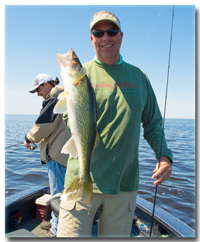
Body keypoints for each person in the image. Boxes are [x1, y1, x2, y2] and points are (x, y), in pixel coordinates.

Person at [57, 11, 173, 237]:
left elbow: (153, 124)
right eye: (98, 33)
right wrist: (68, 97)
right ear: (92, 39)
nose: (105, 38)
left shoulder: (140, 77)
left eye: (111, 32)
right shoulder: (81, 75)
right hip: (80, 178)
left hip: (124, 183)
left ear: (121, 36)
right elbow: (67, 119)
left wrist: (164, 156)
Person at [24, 73, 70, 237]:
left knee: (58, 196)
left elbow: (43, 127)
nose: (38, 93)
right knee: (66, 194)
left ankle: (56, 232)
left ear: (47, 84)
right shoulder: (65, 96)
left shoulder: (54, 100)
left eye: (38, 89)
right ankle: (59, 224)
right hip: (67, 156)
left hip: (57, 157)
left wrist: (28, 137)